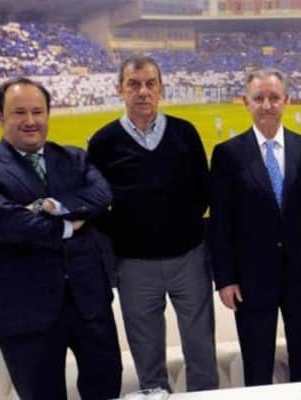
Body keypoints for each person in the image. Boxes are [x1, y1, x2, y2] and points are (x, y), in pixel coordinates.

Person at [87, 56, 217, 392]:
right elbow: (95, 203)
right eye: (134, 84)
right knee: (147, 355)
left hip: (188, 257)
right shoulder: (103, 142)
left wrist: (178, 223)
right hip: (134, 265)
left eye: (150, 84)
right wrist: (127, 231)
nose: (143, 91)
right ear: (120, 89)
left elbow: (204, 190)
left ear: (161, 89)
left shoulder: (184, 132)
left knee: (201, 349)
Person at [0, 77, 121, 399]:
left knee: (106, 388)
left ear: (48, 114)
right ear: (0, 116)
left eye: (38, 111)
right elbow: (4, 221)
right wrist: (66, 226)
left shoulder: (74, 158)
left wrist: (49, 206)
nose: (30, 121)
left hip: (89, 303)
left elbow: (101, 196)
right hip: (24, 311)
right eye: (19, 112)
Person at [209, 68, 301, 400]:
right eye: (259, 98)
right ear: (246, 102)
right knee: (257, 365)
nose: (266, 105)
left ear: (286, 101)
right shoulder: (228, 155)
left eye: (274, 98)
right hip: (252, 279)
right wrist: (225, 279)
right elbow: (220, 222)